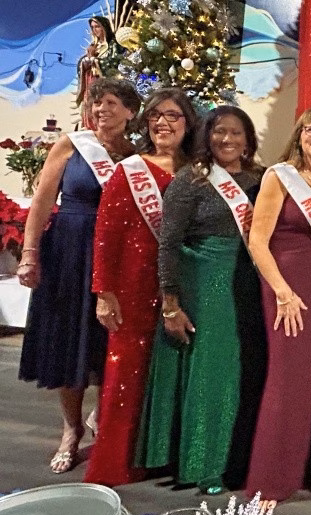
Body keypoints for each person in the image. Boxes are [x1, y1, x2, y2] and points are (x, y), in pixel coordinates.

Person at [136, 106, 266, 495]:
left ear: (248, 139)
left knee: (241, 372)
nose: (226, 140)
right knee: (213, 374)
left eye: (235, 133)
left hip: (248, 285)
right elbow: (169, 244)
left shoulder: (263, 179)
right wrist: (170, 304)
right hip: (205, 286)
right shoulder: (190, 180)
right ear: (206, 136)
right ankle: (203, 464)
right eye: (218, 132)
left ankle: (235, 459)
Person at [17, 78, 140, 474]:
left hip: (116, 260)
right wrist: (29, 254)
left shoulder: (137, 156)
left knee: (107, 345)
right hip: (69, 252)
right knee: (70, 343)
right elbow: (41, 201)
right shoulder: (71, 145)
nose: (100, 109)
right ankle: (70, 430)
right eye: (95, 103)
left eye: (109, 103)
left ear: (130, 111)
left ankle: (101, 419)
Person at [85, 88, 198, 487]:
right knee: (124, 376)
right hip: (131, 287)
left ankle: (157, 456)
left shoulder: (197, 169)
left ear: (188, 123)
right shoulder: (130, 170)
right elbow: (106, 235)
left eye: (173, 116)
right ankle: (114, 463)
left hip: (185, 286)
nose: (163, 123)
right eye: (156, 116)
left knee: (166, 374)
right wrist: (103, 291)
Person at [245, 107, 311, 506]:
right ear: (299, 134)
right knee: (285, 380)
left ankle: (305, 469)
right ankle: (270, 480)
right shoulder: (278, 176)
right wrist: (283, 292)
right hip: (287, 289)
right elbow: (258, 240)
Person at [76, 17, 122, 130]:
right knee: (90, 104)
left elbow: (115, 62)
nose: (95, 30)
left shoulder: (113, 45)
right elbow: (83, 63)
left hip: (104, 83)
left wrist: (96, 61)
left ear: (104, 28)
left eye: (97, 27)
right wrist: (85, 62)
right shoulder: (93, 46)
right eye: (92, 27)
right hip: (91, 81)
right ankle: (89, 125)